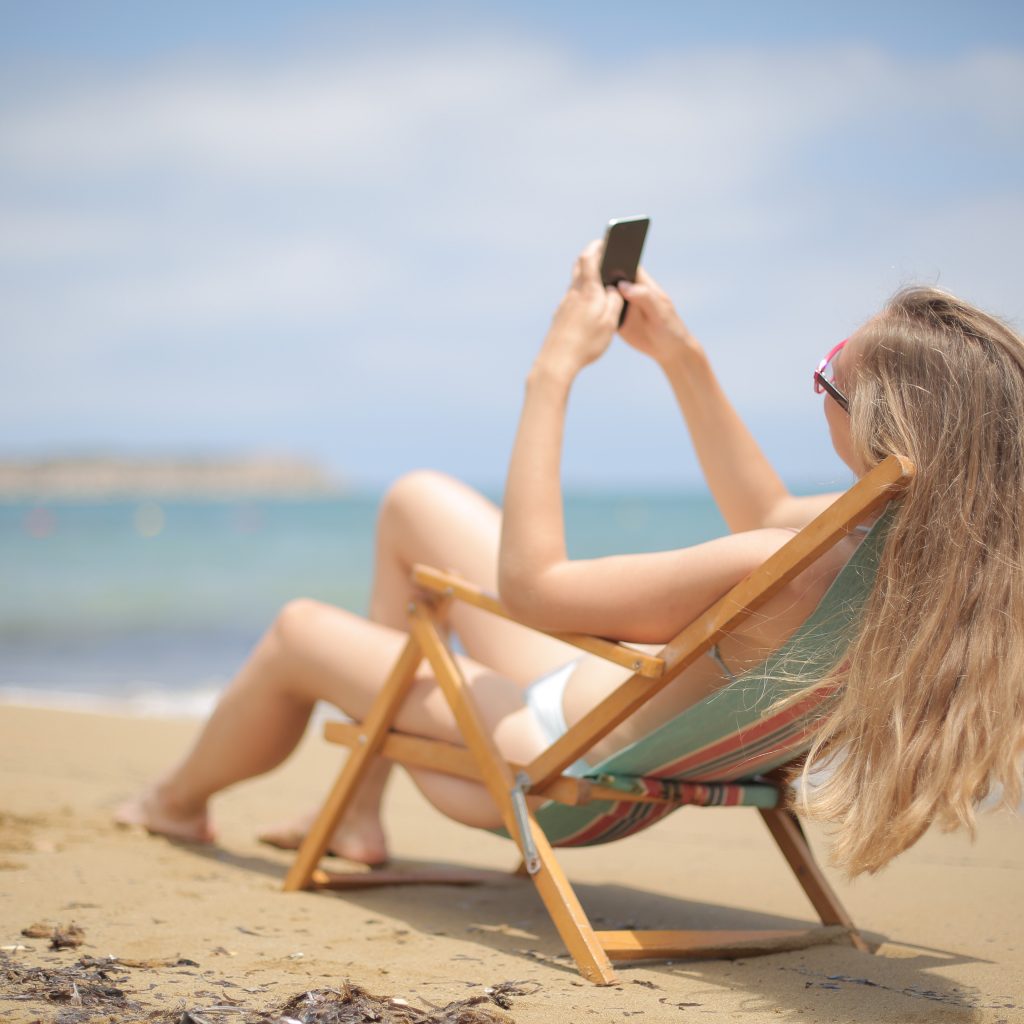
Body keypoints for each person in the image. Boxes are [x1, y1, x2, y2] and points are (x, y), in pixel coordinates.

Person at [116, 241, 1024, 876]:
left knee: (295, 632)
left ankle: (172, 802)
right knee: (414, 502)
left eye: (830, 369)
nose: (819, 377)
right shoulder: (916, 550)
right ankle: (355, 813)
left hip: (552, 770)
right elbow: (766, 508)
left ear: (871, 427)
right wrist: (680, 355)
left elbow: (535, 589)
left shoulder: (793, 569)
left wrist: (553, 371)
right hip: (613, 731)